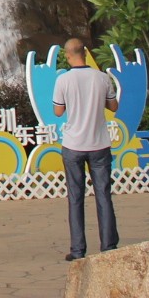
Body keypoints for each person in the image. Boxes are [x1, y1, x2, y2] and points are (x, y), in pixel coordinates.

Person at [51, 37, 118, 259]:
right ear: (86, 54)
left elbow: (58, 111)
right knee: (103, 195)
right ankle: (108, 246)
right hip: (99, 144)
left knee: (75, 196)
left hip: (73, 145)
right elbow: (113, 106)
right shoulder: (102, 78)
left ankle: (78, 250)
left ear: (68, 56)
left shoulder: (63, 80)